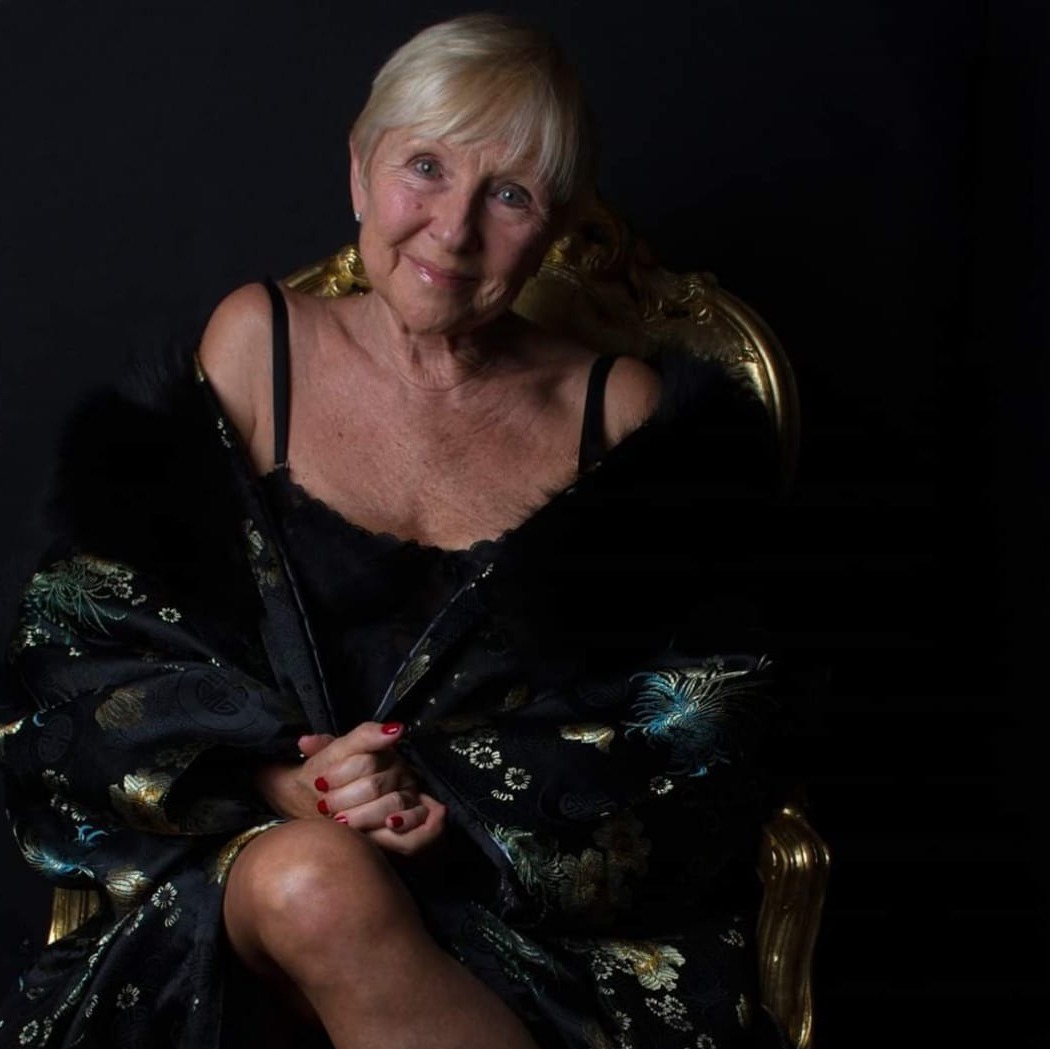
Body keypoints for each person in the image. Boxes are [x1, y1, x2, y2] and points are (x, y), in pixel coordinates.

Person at [0, 13, 791, 1049]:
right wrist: (284, 783)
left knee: (321, 877)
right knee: (310, 875)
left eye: (510, 196)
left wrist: (444, 808)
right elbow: (85, 644)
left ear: (554, 228)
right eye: (425, 167)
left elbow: (701, 739)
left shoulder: (618, 412)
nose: (452, 232)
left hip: (513, 920)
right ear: (359, 170)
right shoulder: (259, 344)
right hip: (244, 883)